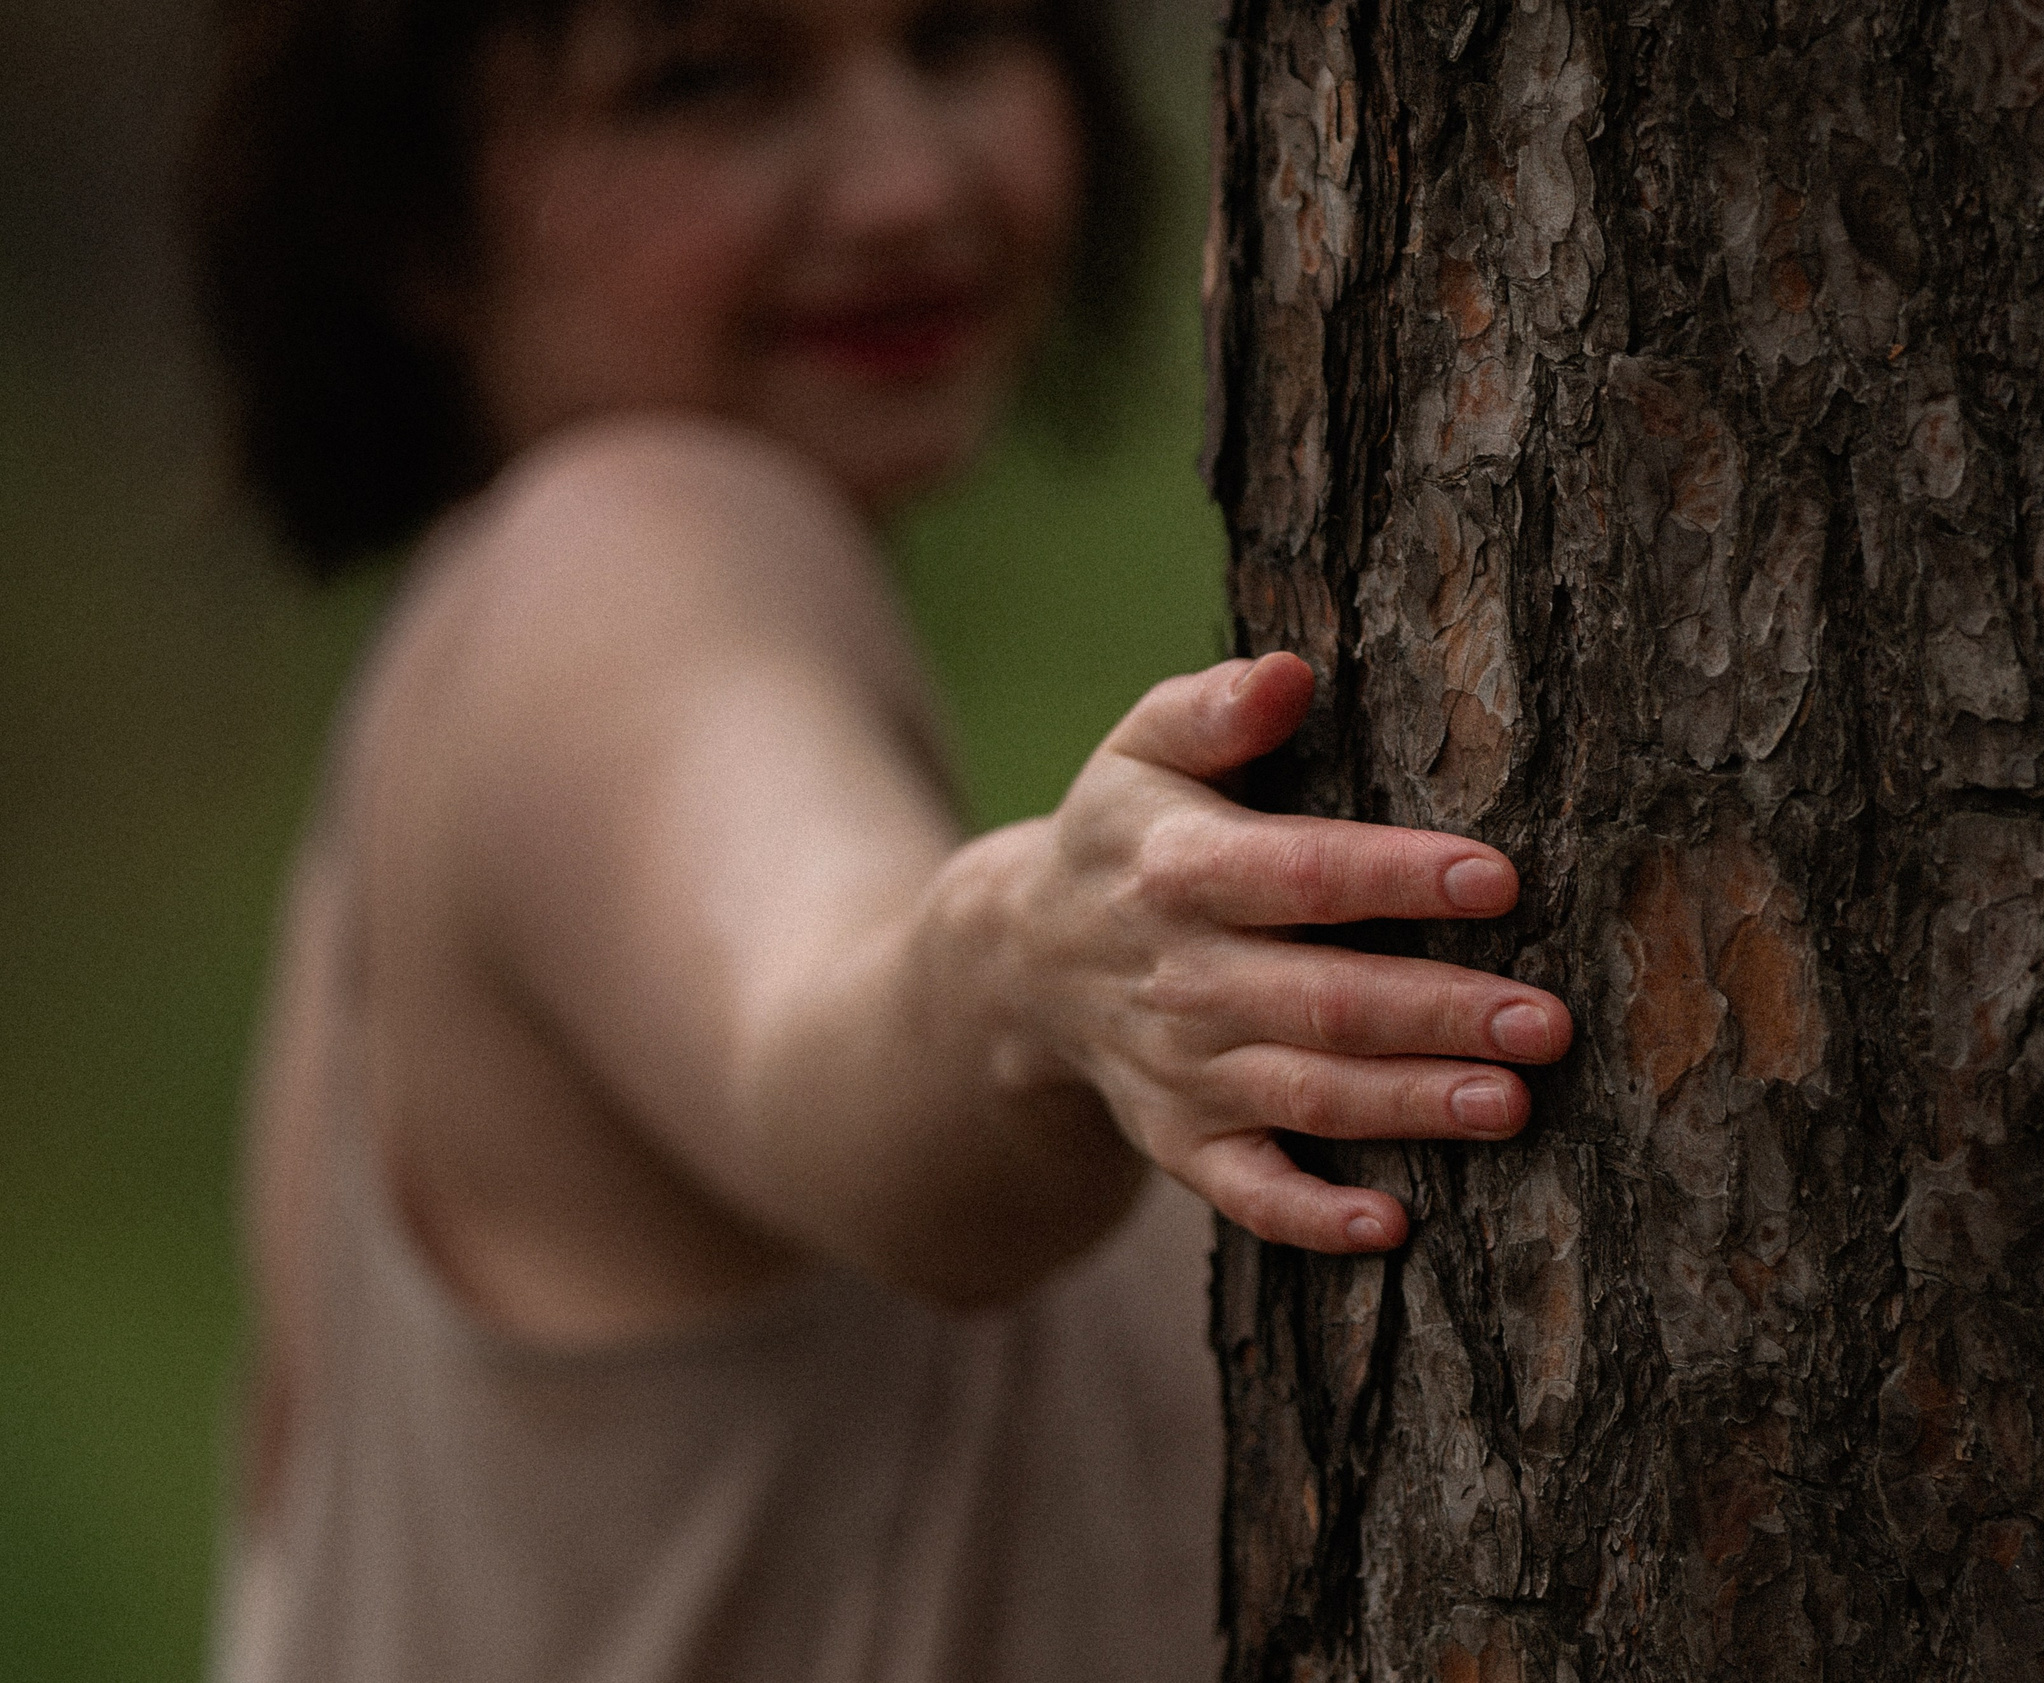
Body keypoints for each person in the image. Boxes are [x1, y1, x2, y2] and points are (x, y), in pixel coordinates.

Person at [192, 0, 1575, 1677]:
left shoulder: (391, 803)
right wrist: (1015, 972)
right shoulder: (606, 563)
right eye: (704, 80)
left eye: (958, 35)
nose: (907, 183)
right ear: (400, 205)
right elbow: (800, 1010)